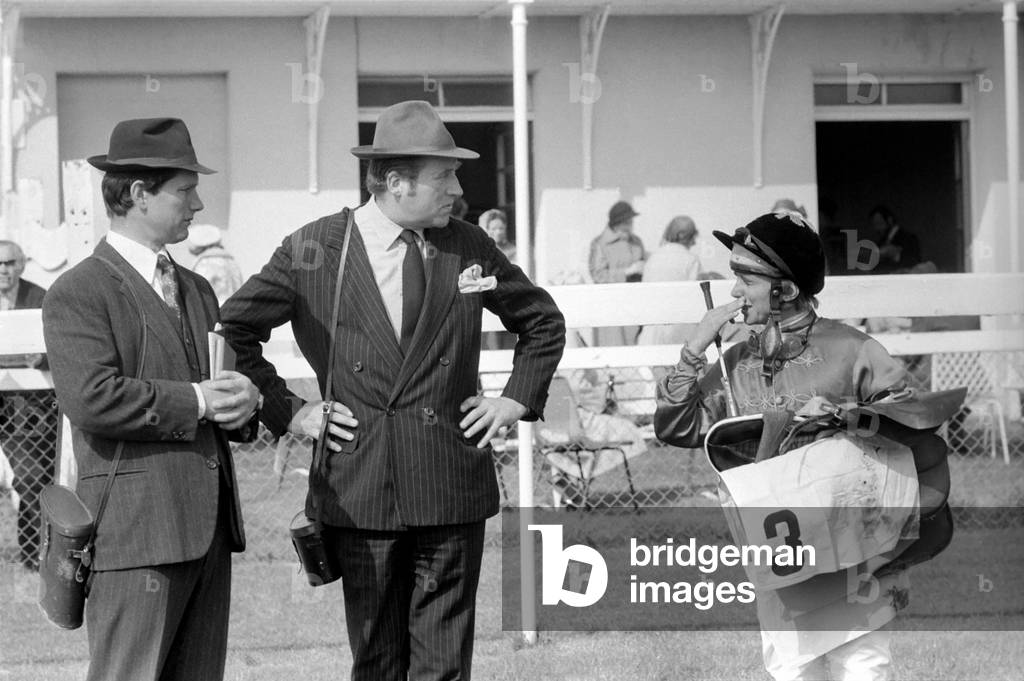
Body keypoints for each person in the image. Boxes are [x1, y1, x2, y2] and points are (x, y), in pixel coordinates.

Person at [220, 100, 565, 681]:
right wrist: (293, 412)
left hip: (449, 480)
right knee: (377, 660)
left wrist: (514, 398)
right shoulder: (315, 248)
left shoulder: (468, 245)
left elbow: (542, 323)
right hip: (362, 487)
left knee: (444, 664)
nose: (458, 189)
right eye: (445, 176)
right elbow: (235, 329)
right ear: (396, 182)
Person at [41, 117, 260, 681]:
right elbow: (92, 398)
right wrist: (203, 402)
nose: (198, 203)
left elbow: (215, 387)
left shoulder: (197, 288)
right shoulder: (79, 291)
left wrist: (242, 403)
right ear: (140, 194)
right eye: (185, 191)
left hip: (206, 533)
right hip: (136, 534)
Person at [654, 212, 911, 681]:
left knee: (863, 669)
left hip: (856, 554)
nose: (734, 291)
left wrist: (843, 416)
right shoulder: (735, 363)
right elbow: (676, 427)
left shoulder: (853, 348)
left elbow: (915, 420)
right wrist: (693, 350)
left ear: (786, 289)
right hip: (780, 557)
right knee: (795, 672)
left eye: (745, 278)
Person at [0, 239, 55, 570]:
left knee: (32, 476)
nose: (2, 271)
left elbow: (60, 342)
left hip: (26, 406)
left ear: (21, 265)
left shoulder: (40, 298)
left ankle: (34, 554)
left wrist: (43, 357)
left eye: (8, 263)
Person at [637, 216, 702, 346]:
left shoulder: (653, 258)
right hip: (679, 330)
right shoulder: (691, 260)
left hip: (651, 330)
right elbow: (693, 298)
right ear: (689, 237)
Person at [589, 200, 646, 345]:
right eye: (626, 222)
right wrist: (626, 272)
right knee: (613, 348)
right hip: (611, 305)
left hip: (635, 303)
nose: (630, 226)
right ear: (617, 223)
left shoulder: (636, 242)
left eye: (630, 222)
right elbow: (598, 275)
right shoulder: (600, 244)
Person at [187, 223, 244, 306]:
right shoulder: (231, 262)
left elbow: (197, 292)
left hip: (215, 310)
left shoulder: (205, 263)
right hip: (234, 308)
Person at [867, 204, 921, 274]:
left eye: (879, 223)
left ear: (890, 220)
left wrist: (896, 255)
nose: (877, 228)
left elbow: (915, 261)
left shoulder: (909, 238)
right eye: (875, 224)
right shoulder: (880, 242)